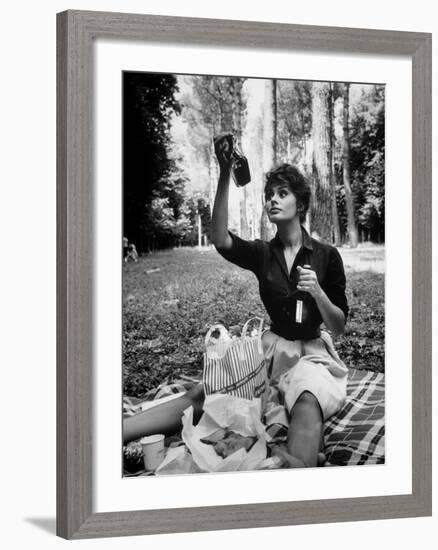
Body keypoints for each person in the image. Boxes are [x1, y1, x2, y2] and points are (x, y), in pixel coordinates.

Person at [123, 134, 349, 469]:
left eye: (282, 193)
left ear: (300, 205)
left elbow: (339, 325)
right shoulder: (262, 253)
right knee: (207, 393)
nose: (272, 199)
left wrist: (317, 291)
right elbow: (219, 238)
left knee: (306, 396)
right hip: (270, 350)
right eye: (269, 194)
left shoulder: (327, 256)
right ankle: (113, 431)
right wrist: (225, 172)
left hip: (311, 354)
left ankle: (296, 469)